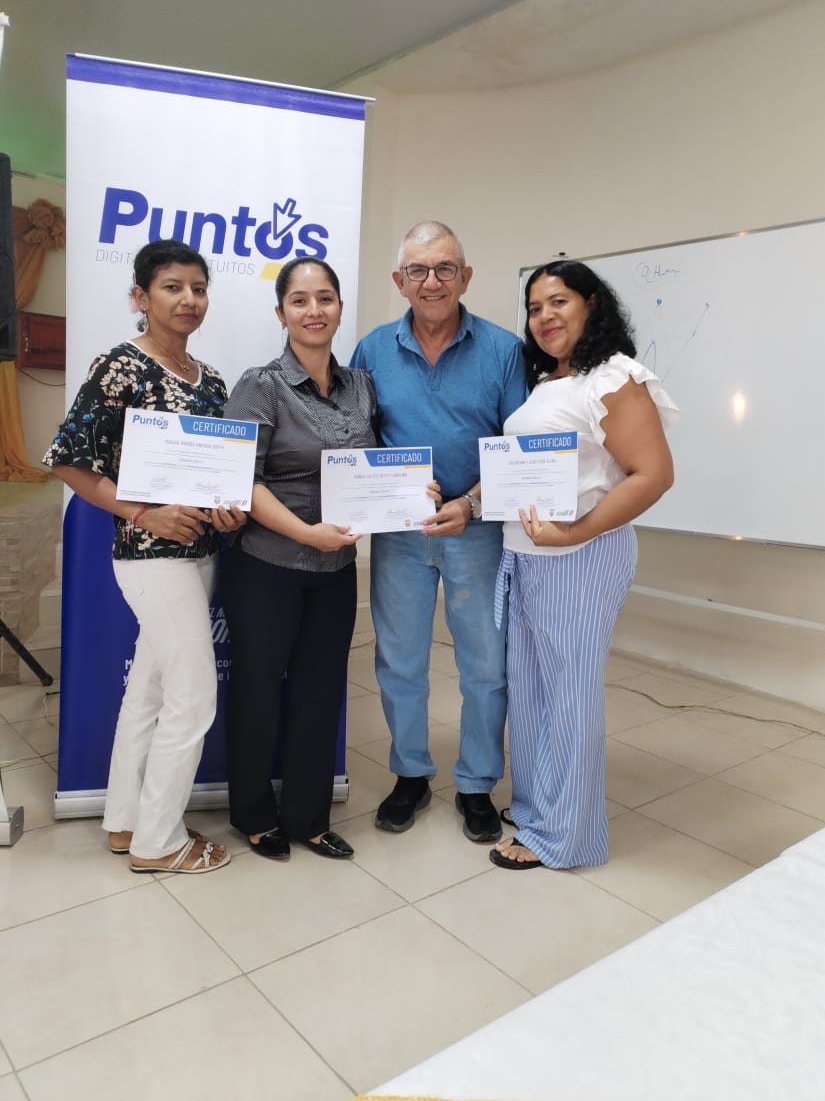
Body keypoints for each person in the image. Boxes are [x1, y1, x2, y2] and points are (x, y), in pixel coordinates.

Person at [44, 239, 245, 874]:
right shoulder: (120, 367)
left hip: (203, 552)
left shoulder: (211, 380)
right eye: (172, 287)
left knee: (150, 690)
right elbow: (69, 462)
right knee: (193, 694)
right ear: (141, 296)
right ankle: (161, 842)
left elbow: (216, 474)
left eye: (198, 288)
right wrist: (142, 512)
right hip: (151, 556)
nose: (189, 299)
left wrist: (228, 509)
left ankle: (125, 820)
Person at [489, 260, 678, 872]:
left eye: (559, 302)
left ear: (591, 305)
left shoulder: (613, 377)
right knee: (533, 693)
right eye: (534, 307)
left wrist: (574, 531)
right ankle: (538, 807)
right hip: (528, 559)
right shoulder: (551, 381)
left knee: (567, 695)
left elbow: (654, 475)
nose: (544, 317)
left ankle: (566, 835)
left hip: (579, 558)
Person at [350, 221, 527, 842]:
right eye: (418, 270)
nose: (432, 282)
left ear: (465, 277)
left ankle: (477, 782)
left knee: (486, 664)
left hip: (478, 529)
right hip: (401, 533)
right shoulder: (371, 350)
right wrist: (383, 490)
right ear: (399, 280)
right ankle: (411, 774)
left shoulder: (504, 350)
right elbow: (356, 437)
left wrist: (471, 503)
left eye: (445, 268)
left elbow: (517, 448)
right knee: (400, 660)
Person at [220, 256, 377, 861]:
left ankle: (309, 818)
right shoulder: (260, 385)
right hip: (267, 565)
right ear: (281, 311)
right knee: (258, 691)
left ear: (340, 307)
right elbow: (244, 480)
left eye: (325, 298)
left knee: (321, 691)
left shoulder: (361, 385)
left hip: (335, 570)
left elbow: (371, 465)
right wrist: (308, 533)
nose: (315, 311)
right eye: (300, 300)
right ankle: (254, 816)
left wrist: (408, 493)